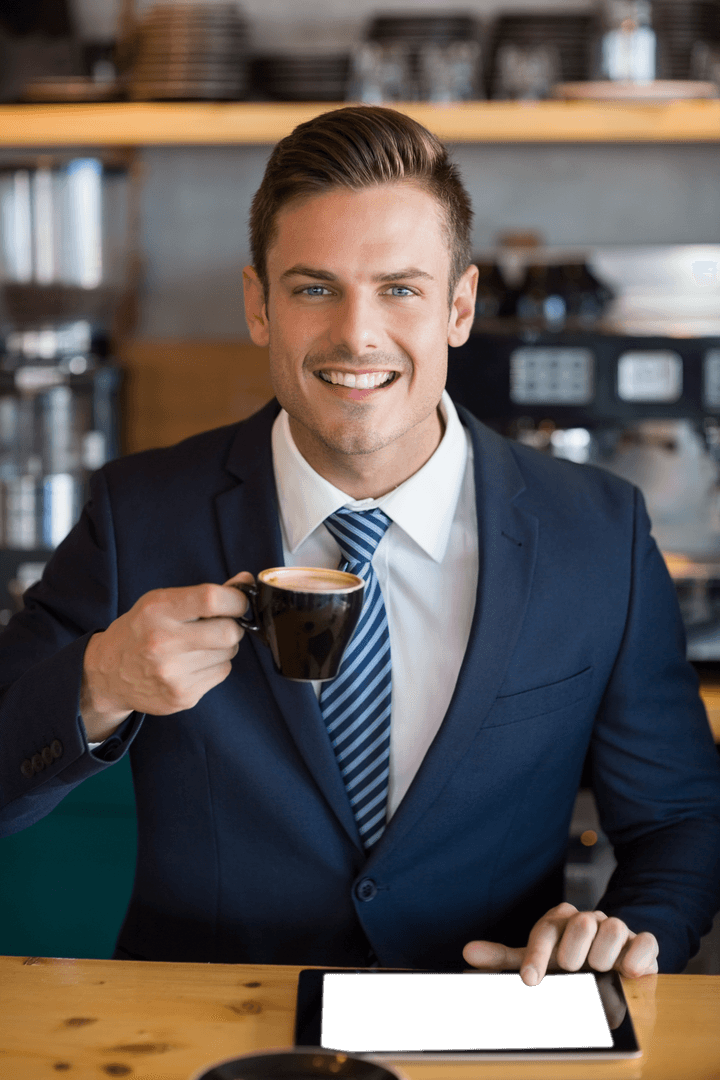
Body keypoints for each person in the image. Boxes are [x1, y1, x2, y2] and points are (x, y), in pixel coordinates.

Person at [1, 107, 719, 983]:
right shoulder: (136, 515)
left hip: (490, 1026)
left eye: (400, 289)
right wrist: (99, 681)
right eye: (313, 288)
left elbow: (681, 818)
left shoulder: (597, 533)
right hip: (202, 1036)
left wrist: (627, 935)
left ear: (459, 306)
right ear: (258, 306)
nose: (357, 335)